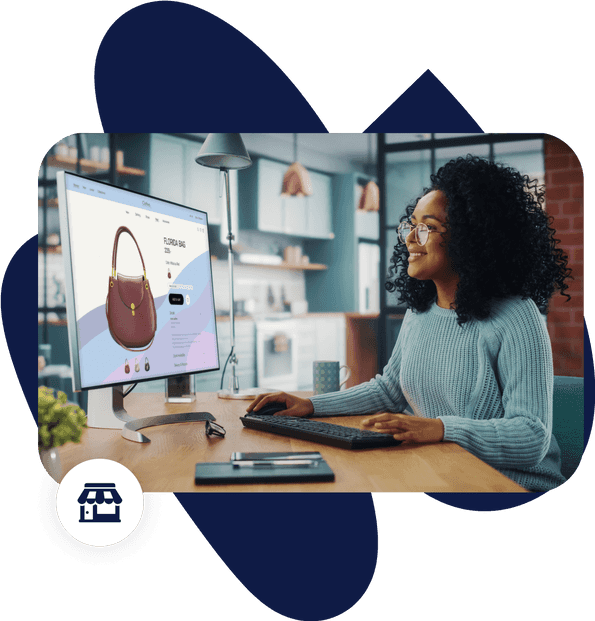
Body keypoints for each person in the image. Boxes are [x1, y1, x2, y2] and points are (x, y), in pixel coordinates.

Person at [247, 155, 572, 492]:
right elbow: (389, 390)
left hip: (514, 486)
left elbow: (531, 435)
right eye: (411, 225)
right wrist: (312, 405)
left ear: (471, 237)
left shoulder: (517, 316)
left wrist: (439, 429)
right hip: (444, 471)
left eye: (427, 227)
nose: (409, 239)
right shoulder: (421, 310)